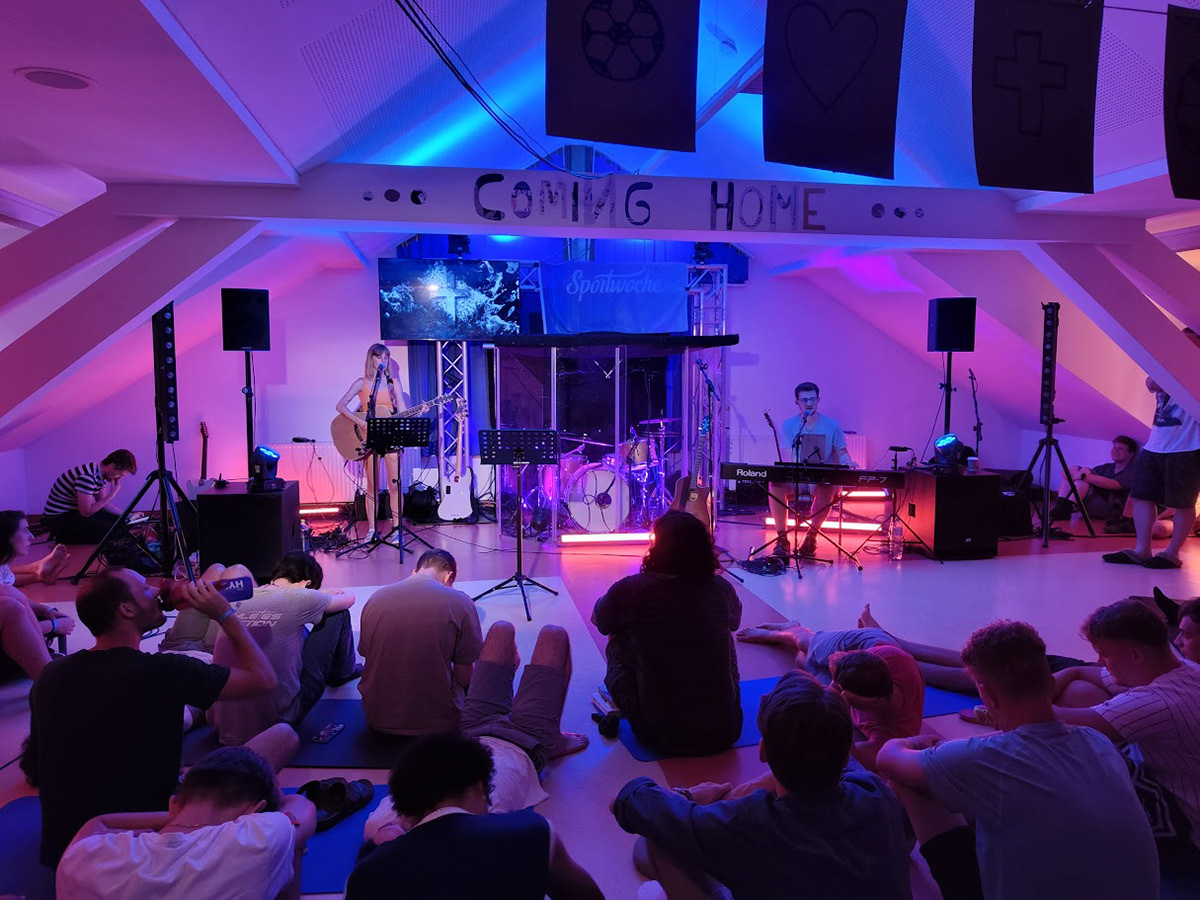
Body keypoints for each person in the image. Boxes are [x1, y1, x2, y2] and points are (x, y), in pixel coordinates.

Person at [875, 620, 1158, 900]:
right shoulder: (1096, 740)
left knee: (909, 783)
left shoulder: (984, 760)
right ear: (1050, 683)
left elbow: (887, 758)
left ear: (987, 695)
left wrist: (915, 743)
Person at [21, 568, 279, 865]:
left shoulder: (50, 674)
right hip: (145, 849)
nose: (157, 591)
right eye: (145, 588)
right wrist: (225, 615)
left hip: (67, 852)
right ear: (126, 609)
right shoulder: (165, 671)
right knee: (281, 738)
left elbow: (36, 766)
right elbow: (264, 679)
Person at [611, 670, 912, 900]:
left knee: (662, 838)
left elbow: (625, 799)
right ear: (845, 750)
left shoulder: (747, 823)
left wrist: (689, 795)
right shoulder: (874, 792)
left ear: (763, 750)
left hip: (727, 830)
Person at [363, 620, 590, 839]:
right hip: (526, 742)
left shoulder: (382, 823)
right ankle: (554, 739)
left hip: (474, 731)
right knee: (554, 635)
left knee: (501, 630)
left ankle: (513, 687)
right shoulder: (477, 828)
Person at [345, 733, 604, 900]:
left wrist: (372, 852)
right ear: (480, 787)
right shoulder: (534, 833)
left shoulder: (367, 875)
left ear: (406, 813)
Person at [56, 741, 313, 900]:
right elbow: (303, 807)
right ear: (255, 813)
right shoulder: (257, 843)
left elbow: (99, 822)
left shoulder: (81, 859)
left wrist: (179, 819)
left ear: (172, 804)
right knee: (293, 847)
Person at [1053, 600, 1200, 873]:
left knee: (1067, 765)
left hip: (1189, 837)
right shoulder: (1185, 669)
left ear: (1135, 656)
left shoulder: (1157, 701)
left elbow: (1044, 719)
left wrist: (994, 704)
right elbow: (1080, 671)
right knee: (1078, 691)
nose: (1100, 662)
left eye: (1105, 655)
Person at [592, 510, 741, 757]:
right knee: (725, 632)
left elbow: (599, 621)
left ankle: (633, 695)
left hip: (657, 734)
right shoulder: (721, 589)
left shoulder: (631, 589)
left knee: (617, 635)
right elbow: (735, 622)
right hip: (725, 730)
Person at [208, 551, 359, 746]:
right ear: (307, 584)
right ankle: (343, 673)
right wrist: (320, 595)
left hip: (221, 723)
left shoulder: (240, 598)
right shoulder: (301, 597)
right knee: (338, 614)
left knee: (292, 631)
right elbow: (349, 598)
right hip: (277, 722)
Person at [1103, 326, 1200, 568]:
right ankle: (1142, 550)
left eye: (1189, 342)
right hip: (1156, 444)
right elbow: (1151, 383)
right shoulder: (1166, 365)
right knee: (1142, 497)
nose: (1181, 346)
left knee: (1183, 502)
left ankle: (1172, 554)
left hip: (1188, 447)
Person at [358, 548, 483, 735]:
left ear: (415, 571)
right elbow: (465, 675)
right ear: (449, 576)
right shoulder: (460, 601)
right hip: (437, 721)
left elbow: (367, 655)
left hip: (377, 717)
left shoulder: (376, 598)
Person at [767, 382, 853, 559]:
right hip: (798, 478)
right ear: (797, 402)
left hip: (821, 479)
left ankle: (811, 536)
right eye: (804, 400)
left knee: (826, 487)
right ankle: (782, 539)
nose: (809, 403)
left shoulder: (832, 425)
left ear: (818, 400)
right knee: (775, 484)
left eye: (812, 399)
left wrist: (848, 462)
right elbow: (790, 456)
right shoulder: (789, 425)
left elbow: (842, 452)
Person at [336, 343, 402, 541]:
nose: (383, 360)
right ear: (371, 359)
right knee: (372, 486)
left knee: (394, 486)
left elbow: (403, 410)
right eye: (379, 356)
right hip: (370, 438)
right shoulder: (362, 383)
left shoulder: (393, 383)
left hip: (390, 437)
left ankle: (397, 529)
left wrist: (418, 411)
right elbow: (340, 406)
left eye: (386, 357)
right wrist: (360, 422)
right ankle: (372, 529)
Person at [0, 511, 75, 679]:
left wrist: (45, 610)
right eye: (24, 530)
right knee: (11, 600)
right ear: (6, 536)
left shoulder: (2, 565)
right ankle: (50, 679)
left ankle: (44, 662)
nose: (32, 537)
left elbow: (9, 589)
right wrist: (53, 626)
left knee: (12, 594)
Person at [42, 449, 137, 544]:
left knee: (122, 523)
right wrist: (111, 495)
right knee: (114, 531)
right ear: (112, 466)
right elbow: (86, 512)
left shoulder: (99, 472)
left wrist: (129, 515)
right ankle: (64, 536)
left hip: (73, 512)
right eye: (120, 474)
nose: (120, 478)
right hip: (58, 518)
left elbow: (104, 505)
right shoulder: (87, 476)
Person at [1049, 435, 1137, 524]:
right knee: (1075, 470)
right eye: (1114, 448)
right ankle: (1061, 507)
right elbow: (1068, 473)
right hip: (1091, 506)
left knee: (1085, 473)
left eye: (1120, 448)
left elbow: (1113, 484)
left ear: (1131, 454)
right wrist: (1073, 473)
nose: (1115, 451)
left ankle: (1064, 508)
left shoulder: (1132, 470)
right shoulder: (1107, 467)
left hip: (1110, 509)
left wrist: (1082, 476)